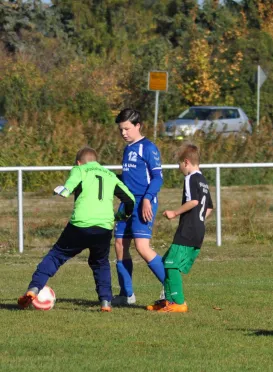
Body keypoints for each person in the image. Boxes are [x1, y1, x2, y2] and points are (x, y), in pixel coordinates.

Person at [18, 147, 135, 312]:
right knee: (100, 263)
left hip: (80, 225)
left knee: (56, 256)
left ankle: (34, 289)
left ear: (79, 162)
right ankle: (106, 302)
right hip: (104, 228)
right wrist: (123, 215)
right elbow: (129, 199)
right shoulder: (109, 174)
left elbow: (70, 184)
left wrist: (64, 191)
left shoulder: (79, 169)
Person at [147, 144, 213, 313]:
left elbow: (194, 202)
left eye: (179, 164)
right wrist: (199, 220)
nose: (179, 168)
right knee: (166, 260)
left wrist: (174, 213)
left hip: (189, 229)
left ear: (186, 162)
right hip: (198, 229)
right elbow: (209, 209)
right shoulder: (203, 180)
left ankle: (178, 302)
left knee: (171, 264)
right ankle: (167, 301)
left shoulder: (191, 178)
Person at [113, 108, 166, 305]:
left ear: (138, 126)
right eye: (121, 130)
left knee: (142, 247)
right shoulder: (128, 149)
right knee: (119, 245)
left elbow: (158, 177)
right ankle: (126, 295)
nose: (123, 133)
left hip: (143, 203)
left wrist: (147, 199)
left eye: (127, 129)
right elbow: (129, 178)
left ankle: (171, 289)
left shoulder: (148, 148)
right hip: (126, 204)